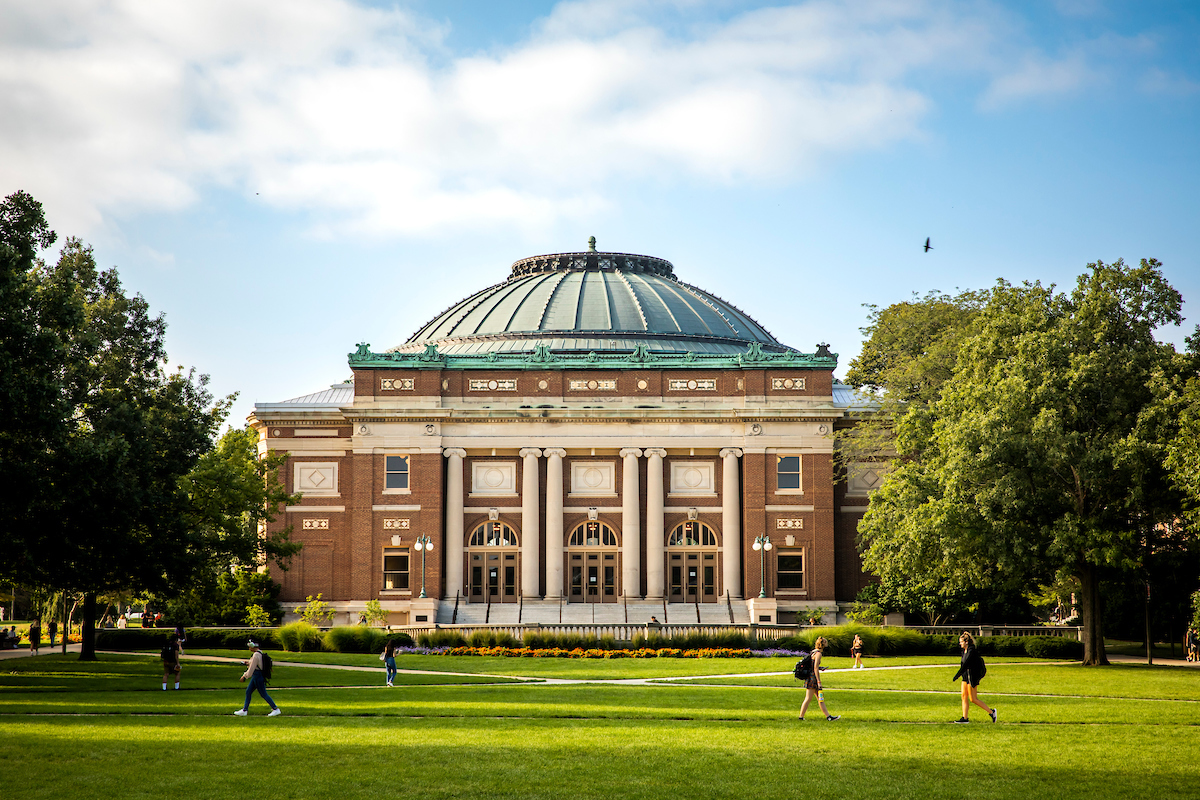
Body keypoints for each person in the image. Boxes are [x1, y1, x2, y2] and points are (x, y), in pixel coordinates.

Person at [951, 631, 996, 723]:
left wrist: (956, 676)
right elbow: (963, 665)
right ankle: (965, 718)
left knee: (973, 699)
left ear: (966, 642)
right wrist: (960, 675)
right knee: (964, 696)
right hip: (965, 677)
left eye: (961, 642)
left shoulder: (972, 651)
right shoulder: (964, 651)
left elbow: (966, 665)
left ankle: (992, 712)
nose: (960, 644)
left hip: (972, 677)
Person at [235, 639, 281, 717]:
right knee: (248, 691)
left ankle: (275, 709)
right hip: (257, 675)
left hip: (257, 676)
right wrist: (248, 663)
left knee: (263, 694)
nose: (249, 648)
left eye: (249, 647)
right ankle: (244, 710)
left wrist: (244, 676)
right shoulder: (260, 653)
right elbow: (256, 664)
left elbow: (252, 668)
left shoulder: (256, 655)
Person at [798, 637, 840, 721]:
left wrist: (821, 668)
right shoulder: (818, 654)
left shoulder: (813, 652)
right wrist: (819, 681)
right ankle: (801, 717)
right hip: (813, 679)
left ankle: (828, 716)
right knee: (808, 698)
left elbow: (813, 666)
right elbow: (815, 668)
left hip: (811, 677)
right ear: (823, 644)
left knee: (820, 698)